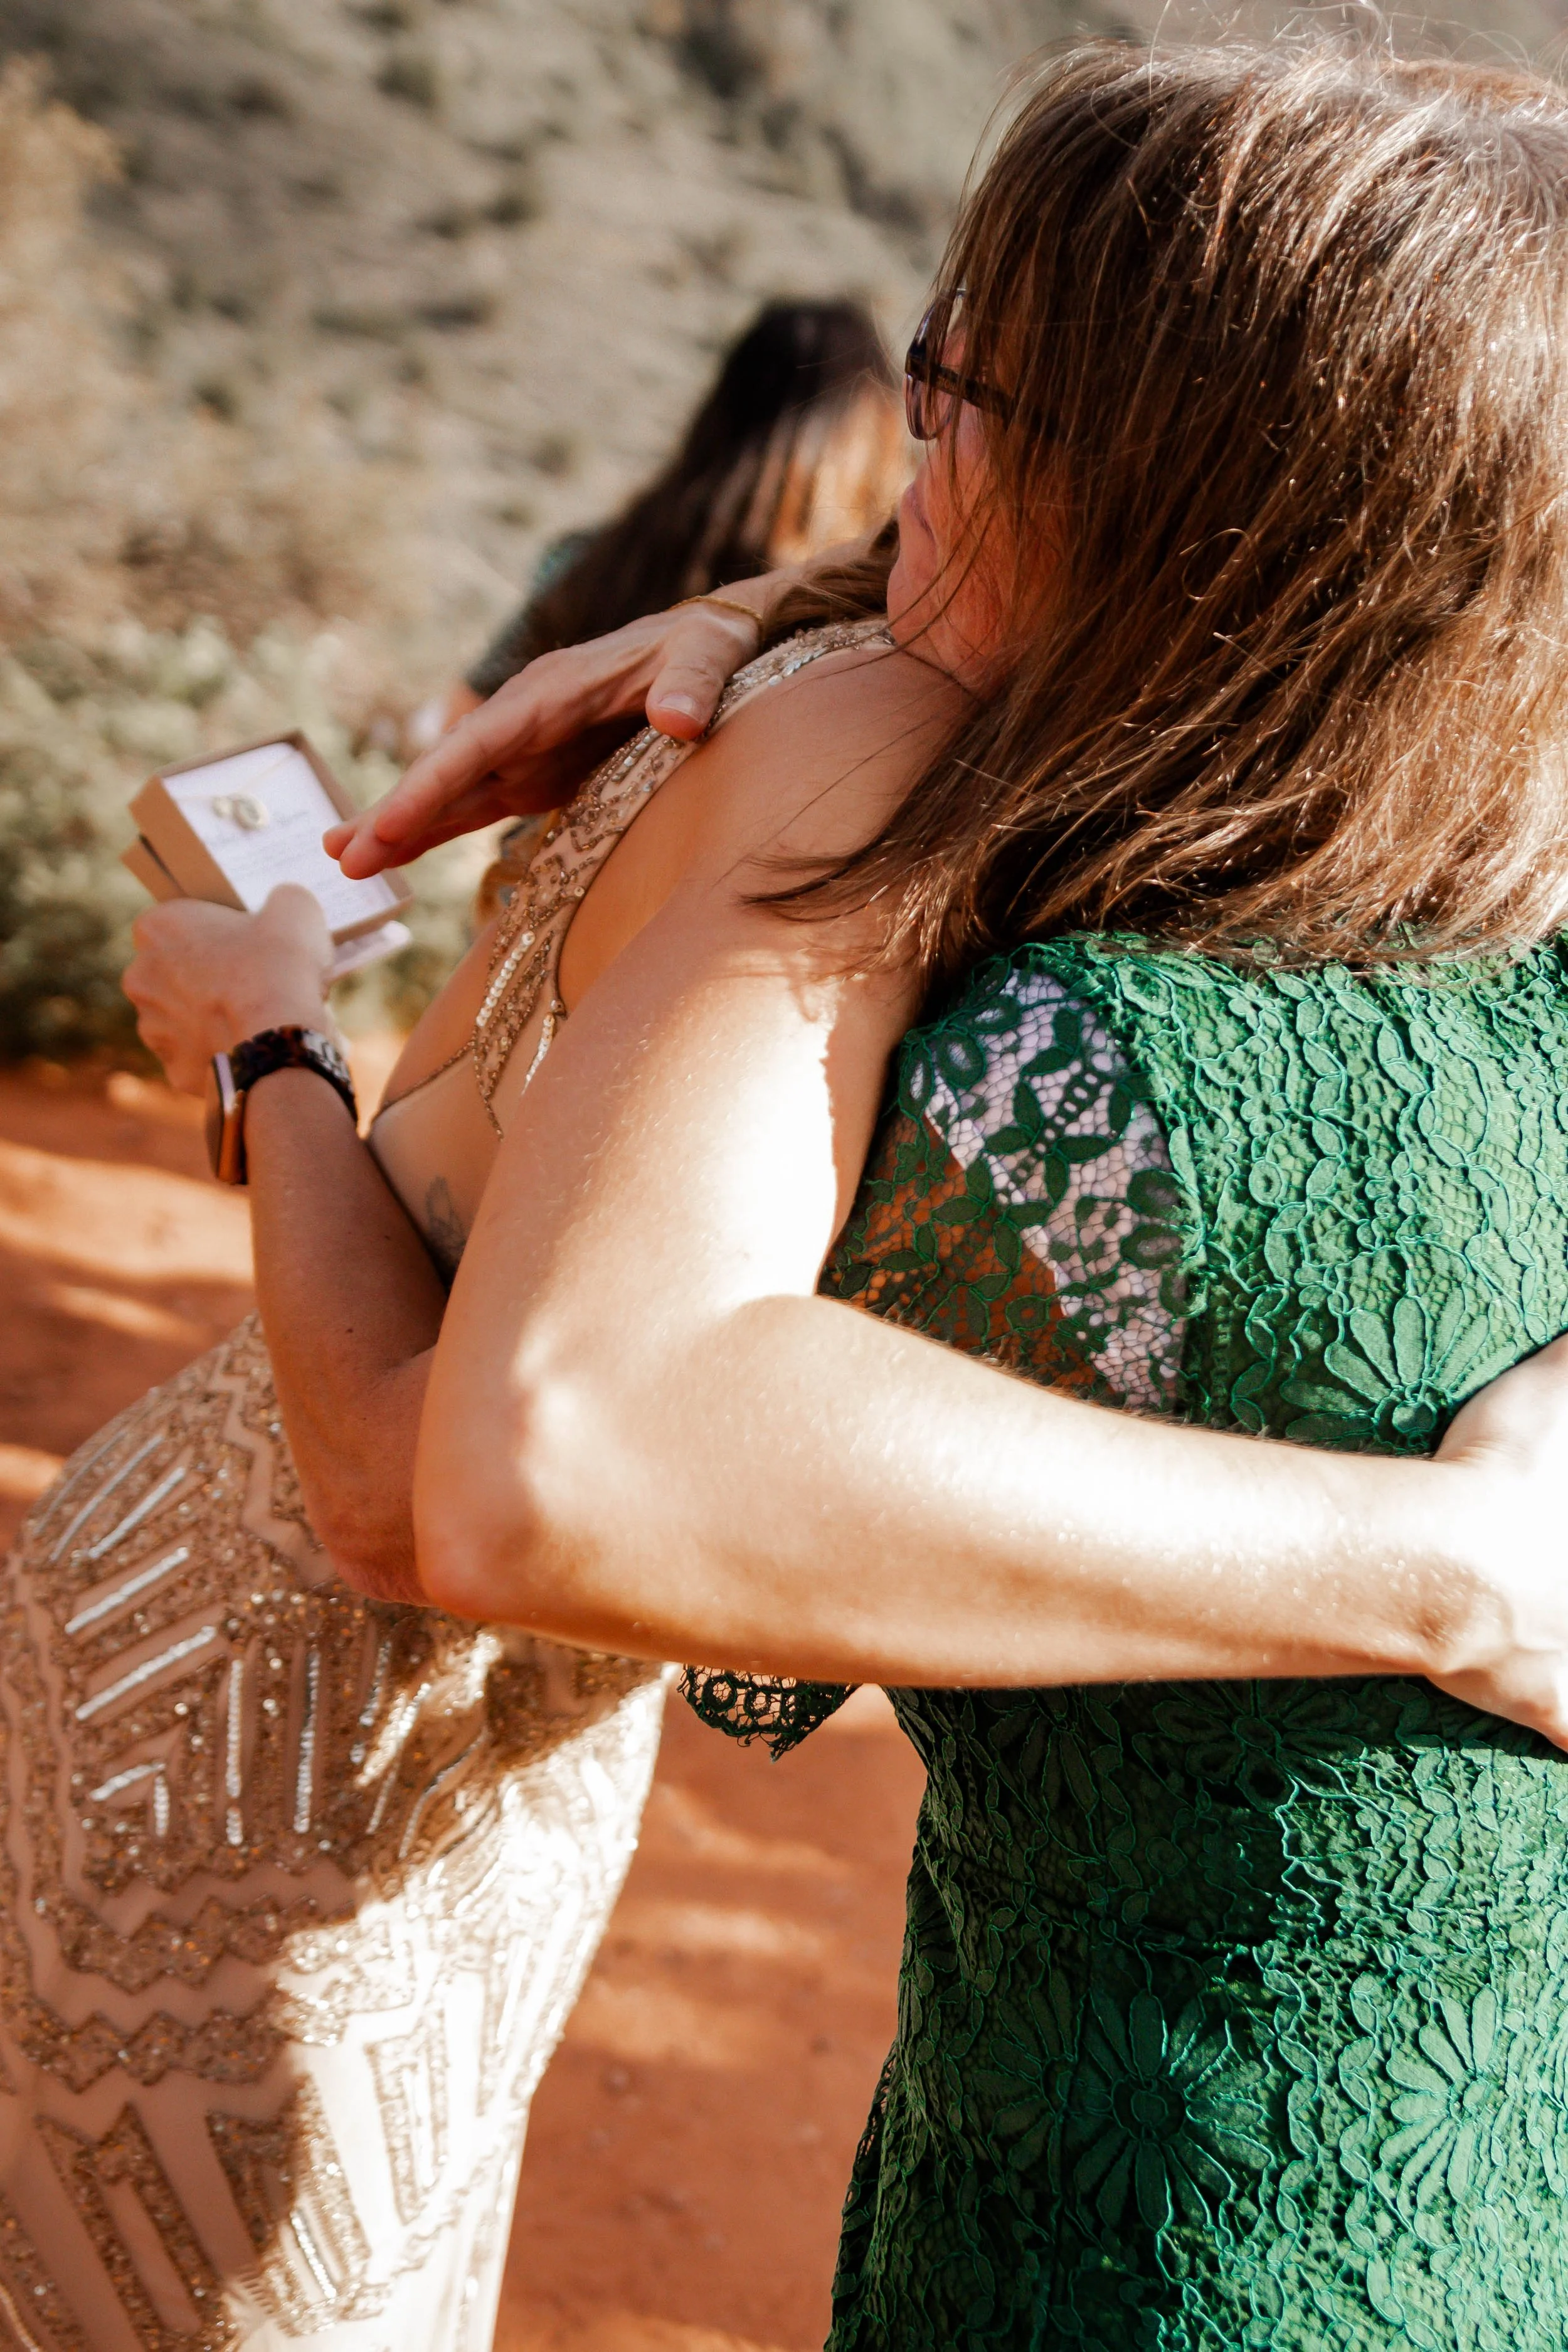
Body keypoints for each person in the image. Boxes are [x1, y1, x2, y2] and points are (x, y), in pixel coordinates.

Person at [305, 39, 1568, 2347]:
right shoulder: (1519, 923)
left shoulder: (1079, 1070)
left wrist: (1451, 1570)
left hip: (1162, 2252)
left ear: (1211, 504)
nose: (913, 451)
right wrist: (810, 621)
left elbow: (535, 1453)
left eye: (961, 394)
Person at [423, 298, 908, 776]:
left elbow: (465, 724)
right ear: (873, 442)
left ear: (719, 408)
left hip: (549, 853)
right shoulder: (860, 626)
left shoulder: (588, 560)